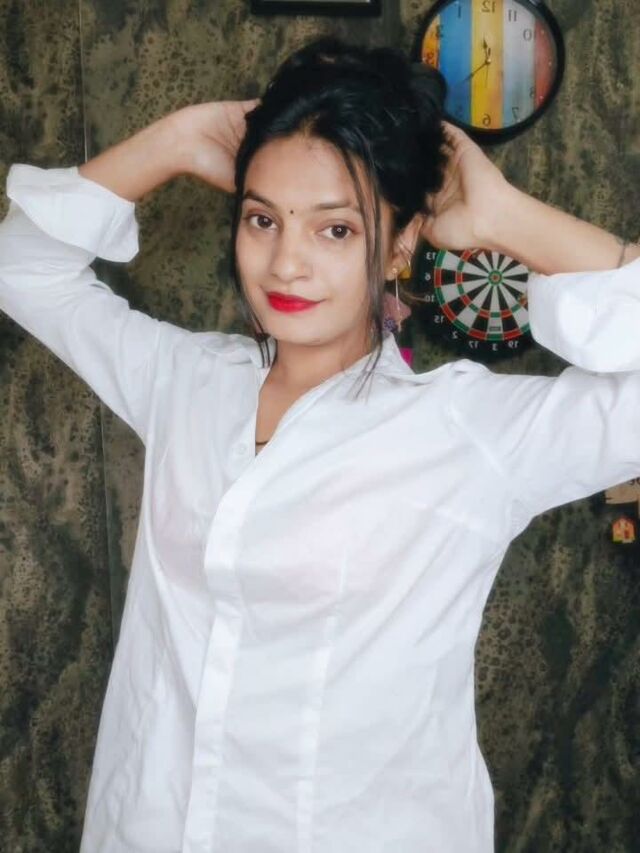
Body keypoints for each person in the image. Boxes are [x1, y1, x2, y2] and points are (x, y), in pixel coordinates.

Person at [1, 35, 639, 853]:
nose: (286, 264)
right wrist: (176, 140)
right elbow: (23, 266)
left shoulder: (467, 434)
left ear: (401, 243)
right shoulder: (185, 381)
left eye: (335, 230)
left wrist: (503, 216)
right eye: (262, 219)